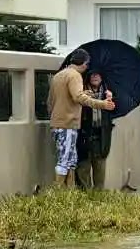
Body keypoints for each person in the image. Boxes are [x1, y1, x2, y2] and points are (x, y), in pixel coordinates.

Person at [48, 49, 113, 189]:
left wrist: (84, 92)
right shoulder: (75, 75)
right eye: (87, 64)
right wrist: (102, 104)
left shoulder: (59, 76)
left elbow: (53, 101)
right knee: (65, 160)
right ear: (83, 63)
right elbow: (78, 98)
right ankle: (59, 193)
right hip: (68, 124)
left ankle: (69, 191)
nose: (87, 68)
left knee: (70, 160)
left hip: (57, 123)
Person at [77, 69, 115, 190]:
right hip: (85, 135)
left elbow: (116, 111)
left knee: (100, 169)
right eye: (92, 74)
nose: (95, 76)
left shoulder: (108, 92)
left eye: (97, 74)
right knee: (83, 168)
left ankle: (98, 198)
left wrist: (112, 99)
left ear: (102, 77)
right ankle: (85, 197)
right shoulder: (81, 92)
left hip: (101, 137)